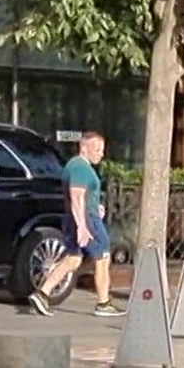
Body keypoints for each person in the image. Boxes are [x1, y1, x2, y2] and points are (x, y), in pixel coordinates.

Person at [31, 131, 119, 317]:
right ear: (84, 148)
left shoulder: (75, 166)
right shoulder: (80, 168)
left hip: (76, 217)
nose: (101, 154)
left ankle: (42, 293)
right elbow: (76, 196)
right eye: (97, 149)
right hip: (86, 220)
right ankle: (104, 303)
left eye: (102, 150)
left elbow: (82, 197)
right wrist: (83, 226)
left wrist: (96, 206)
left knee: (73, 259)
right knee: (102, 258)